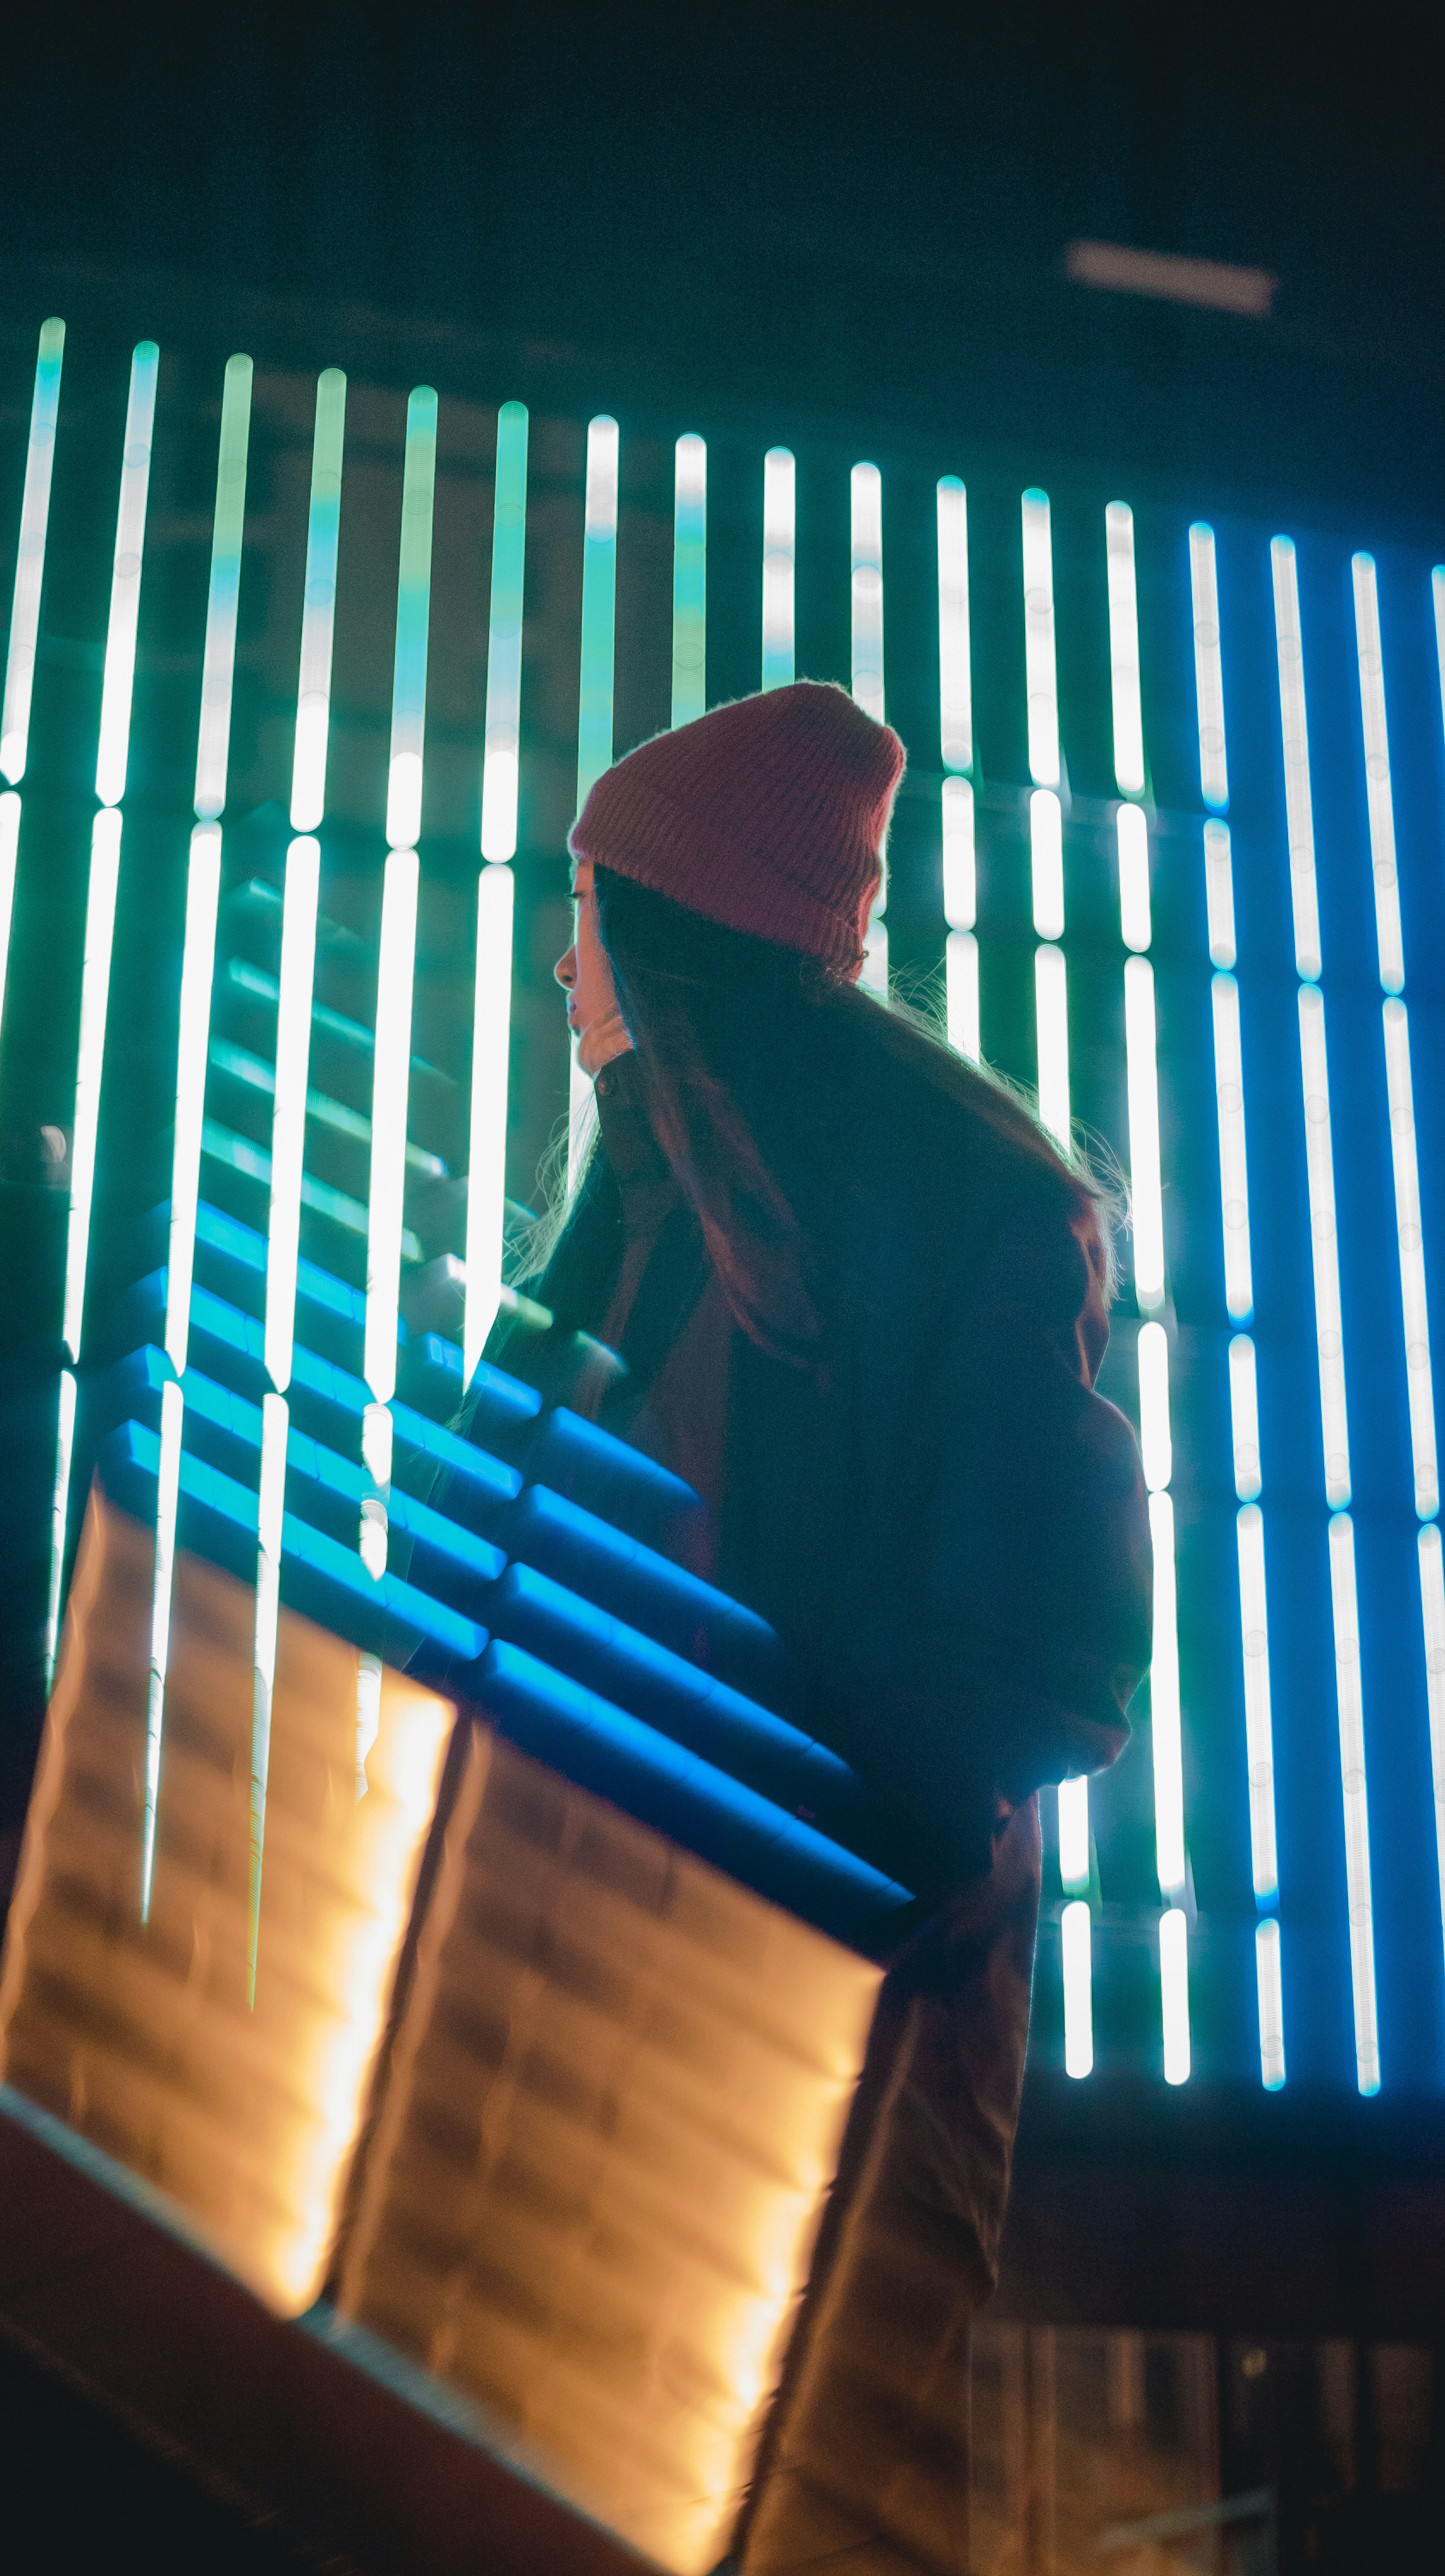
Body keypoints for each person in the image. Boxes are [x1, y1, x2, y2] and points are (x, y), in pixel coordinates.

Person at [536, 680, 1153, 2574]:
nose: (563, 967)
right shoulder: (637, 1221)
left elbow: (1038, 1671)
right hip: (575, 2059)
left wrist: (741, 1831)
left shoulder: (975, 1223)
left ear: (667, 948)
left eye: (590, 917)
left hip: (825, 2074)